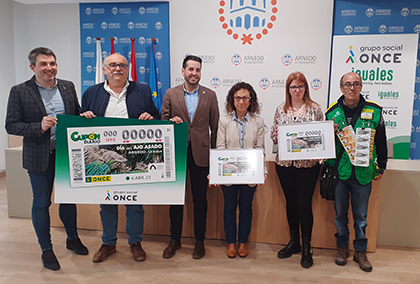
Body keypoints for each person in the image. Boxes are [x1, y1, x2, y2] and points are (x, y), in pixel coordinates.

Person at [5, 47, 88, 271]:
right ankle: (46, 249)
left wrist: (83, 117)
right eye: (44, 64)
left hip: (66, 155)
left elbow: (75, 114)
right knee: (41, 203)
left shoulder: (68, 86)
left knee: (69, 199)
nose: (49, 67)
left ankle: (72, 238)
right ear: (33, 67)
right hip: (38, 157)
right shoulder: (19, 91)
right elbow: (11, 125)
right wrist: (38, 126)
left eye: (52, 63)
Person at [80, 53, 159, 263]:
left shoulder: (141, 90)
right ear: (105, 69)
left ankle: (135, 242)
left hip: (133, 157)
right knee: (107, 203)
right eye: (112, 65)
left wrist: (150, 118)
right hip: (104, 157)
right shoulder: (92, 92)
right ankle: (108, 243)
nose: (117, 68)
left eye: (122, 65)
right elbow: (79, 125)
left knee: (134, 203)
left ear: (128, 69)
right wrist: (85, 117)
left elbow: (156, 118)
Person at [325, 72, 387, 272]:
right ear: (341, 88)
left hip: (363, 172)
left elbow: (381, 141)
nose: (352, 87)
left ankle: (360, 251)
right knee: (340, 215)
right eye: (347, 84)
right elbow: (325, 145)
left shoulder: (375, 111)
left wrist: (382, 165)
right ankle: (342, 247)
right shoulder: (331, 113)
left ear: (361, 87)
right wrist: (329, 133)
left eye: (356, 84)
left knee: (361, 216)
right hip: (340, 173)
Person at [160, 55, 219, 259]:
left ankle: (199, 241)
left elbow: (215, 127)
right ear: (183, 71)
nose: (194, 73)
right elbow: (162, 121)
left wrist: (215, 158)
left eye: (198, 70)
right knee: (175, 199)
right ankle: (174, 240)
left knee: (200, 199)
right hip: (176, 152)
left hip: (201, 155)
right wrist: (170, 122)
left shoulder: (210, 95)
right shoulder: (171, 93)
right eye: (191, 69)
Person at [270, 71, 323, 268]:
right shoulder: (280, 110)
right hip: (284, 165)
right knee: (291, 203)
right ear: (288, 89)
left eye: (300, 86)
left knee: (304, 205)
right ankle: (294, 243)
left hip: (307, 166)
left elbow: (321, 138)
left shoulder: (315, 109)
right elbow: (275, 139)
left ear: (306, 88)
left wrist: (319, 151)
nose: (297, 90)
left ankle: (307, 247)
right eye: (293, 87)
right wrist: (275, 135)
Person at [215, 82, 266, 258]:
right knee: (229, 207)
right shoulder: (223, 121)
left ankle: (243, 242)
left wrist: (262, 172)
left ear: (250, 100)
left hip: (249, 174)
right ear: (232, 100)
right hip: (228, 173)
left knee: (246, 208)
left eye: (245, 97)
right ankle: (231, 242)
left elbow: (260, 149)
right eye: (238, 98)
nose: (241, 101)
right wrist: (217, 172)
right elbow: (220, 148)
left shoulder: (258, 121)